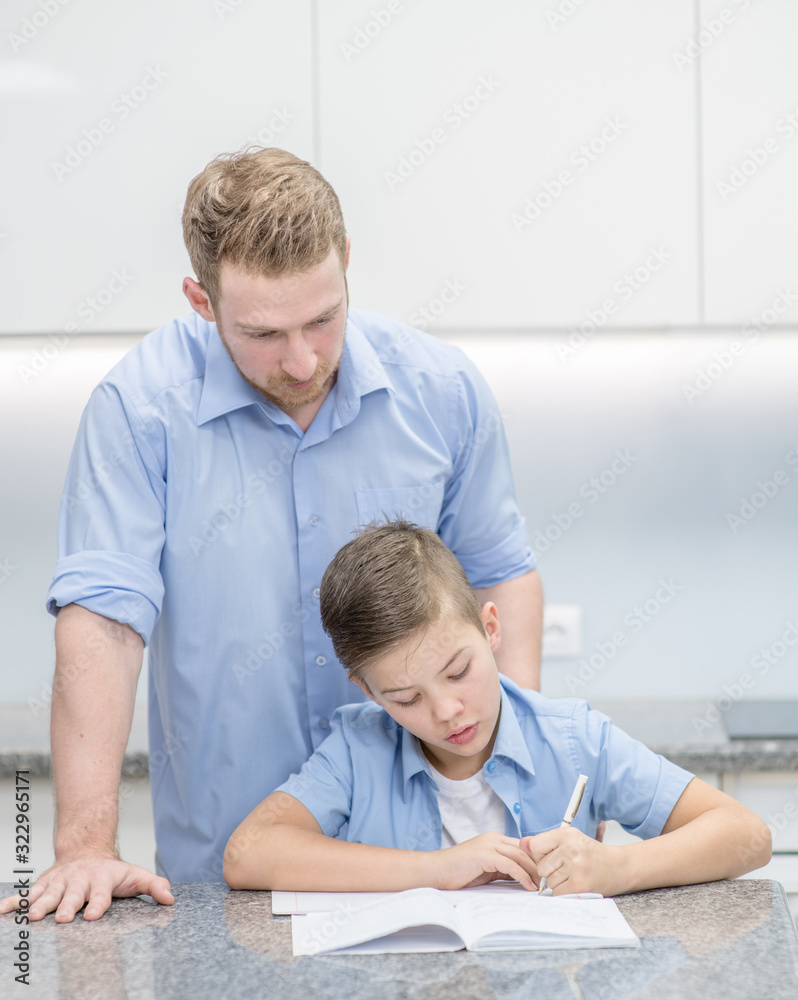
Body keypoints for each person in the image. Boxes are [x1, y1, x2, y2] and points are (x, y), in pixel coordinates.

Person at [0, 149, 542, 923]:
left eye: (323, 318)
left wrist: (524, 781)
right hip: (226, 885)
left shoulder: (442, 392)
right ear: (200, 298)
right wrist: (86, 845)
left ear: (346, 263)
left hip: (432, 868)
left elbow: (501, 579)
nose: (302, 359)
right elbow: (104, 624)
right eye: (261, 333)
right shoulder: (139, 410)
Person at [223, 521, 771, 895]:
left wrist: (619, 867)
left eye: (459, 671)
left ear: (491, 629)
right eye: (406, 698)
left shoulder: (574, 738)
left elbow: (746, 834)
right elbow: (247, 853)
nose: (447, 711)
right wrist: (435, 869)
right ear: (368, 692)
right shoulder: (356, 747)